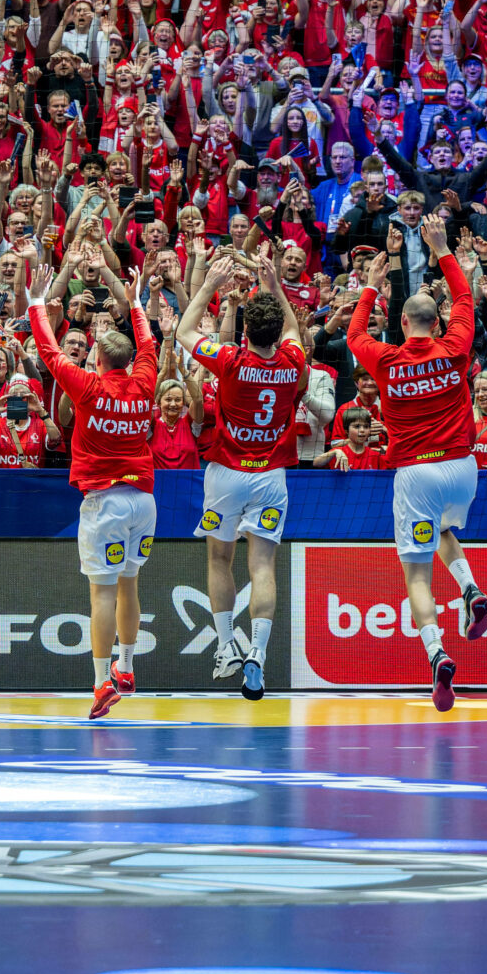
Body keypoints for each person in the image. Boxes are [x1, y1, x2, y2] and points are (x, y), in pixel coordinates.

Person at [347, 214, 487, 713]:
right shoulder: (455, 347)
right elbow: (468, 299)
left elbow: (353, 336)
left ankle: (436, 655)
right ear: (437, 321)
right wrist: (442, 248)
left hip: (414, 473)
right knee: (448, 530)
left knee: (416, 575)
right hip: (462, 468)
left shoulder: (385, 359)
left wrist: (370, 287)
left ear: (404, 323)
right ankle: (471, 588)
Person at [32, 229, 159, 720]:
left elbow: (47, 352)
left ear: (99, 358)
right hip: (144, 500)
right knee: (131, 584)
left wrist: (38, 304)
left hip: (103, 502)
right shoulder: (145, 381)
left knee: (101, 594)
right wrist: (137, 300)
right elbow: (148, 341)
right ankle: (127, 666)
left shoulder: (86, 386)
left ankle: (102, 679)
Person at [178, 245, 307, 702]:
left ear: (246, 329)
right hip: (271, 476)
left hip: (227, 473)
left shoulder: (230, 361)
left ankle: (225, 645)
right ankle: (258, 653)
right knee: (264, 564)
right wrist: (274, 286)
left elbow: (184, 330)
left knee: (219, 559)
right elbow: (294, 328)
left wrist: (210, 285)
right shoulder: (293, 362)